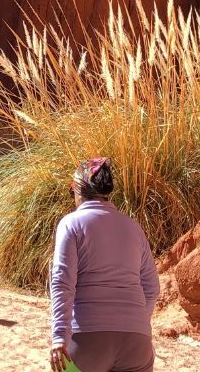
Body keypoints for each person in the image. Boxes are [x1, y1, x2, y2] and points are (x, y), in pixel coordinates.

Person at [49, 158, 160, 372]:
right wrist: (136, 322)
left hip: (87, 339)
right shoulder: (133, 227)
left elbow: (63, 283)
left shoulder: (71, 224)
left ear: (76, 188)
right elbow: (152, 286)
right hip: (137, 343)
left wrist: (59, 336)